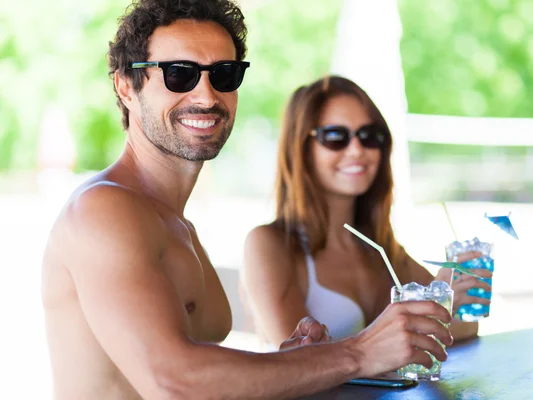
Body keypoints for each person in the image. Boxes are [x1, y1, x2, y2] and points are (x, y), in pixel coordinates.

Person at [41, 1, 453, 399]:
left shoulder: (176, 224)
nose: (205, 96)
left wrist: (298, 363)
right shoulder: (103, 210)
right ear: (126, 86)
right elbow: (174, 383)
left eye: (223, 74)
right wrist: (357, 353)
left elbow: (201, 376)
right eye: (179, 74)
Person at [241, 76, 492, 347]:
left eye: (369, 136)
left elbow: (465, 328)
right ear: (301, 148)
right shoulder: (270, 244)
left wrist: (452, 296)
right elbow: (294, 359)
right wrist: (430, 306)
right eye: (336, 137)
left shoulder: (381, 247)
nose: (357, 149)